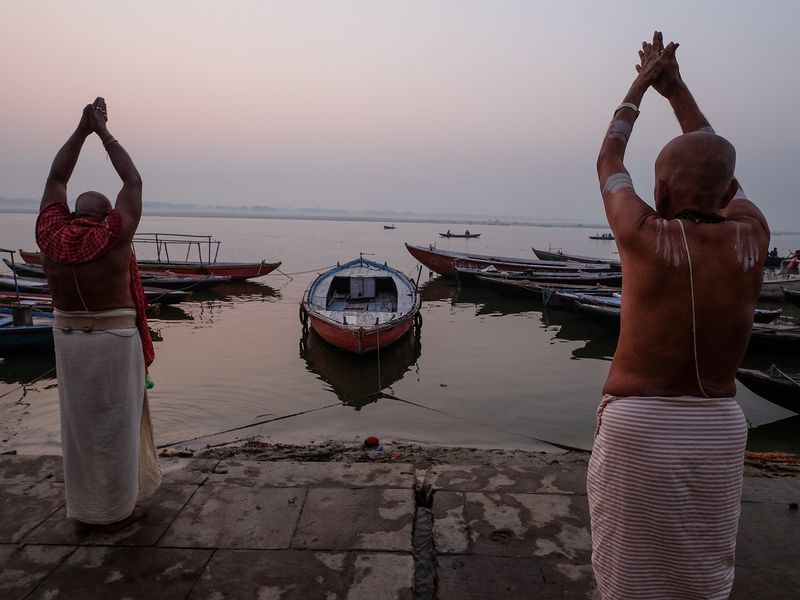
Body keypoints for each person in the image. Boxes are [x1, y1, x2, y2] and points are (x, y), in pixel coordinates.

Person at [587, 33, 769, 599]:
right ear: (731, 192)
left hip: (639, 425)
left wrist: (640, 87)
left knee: (630, 578)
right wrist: (678, 90)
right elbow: (714, 157)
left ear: (660, 188)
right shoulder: (753, 235)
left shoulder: (643, 232)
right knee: (701, 575)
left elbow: (609, 159)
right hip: (718, 426)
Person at [36, 98, 161, 531]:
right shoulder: (115, 232)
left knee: (80, 429)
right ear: (107, 213)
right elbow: (133, 178)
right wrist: (104, 132)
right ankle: (117, 511)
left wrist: (81, 129)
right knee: (118, 425)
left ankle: (86, 511)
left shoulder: (51, 233)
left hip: (67, 337)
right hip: (113, 337)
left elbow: (56, 176)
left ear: (71, 212)